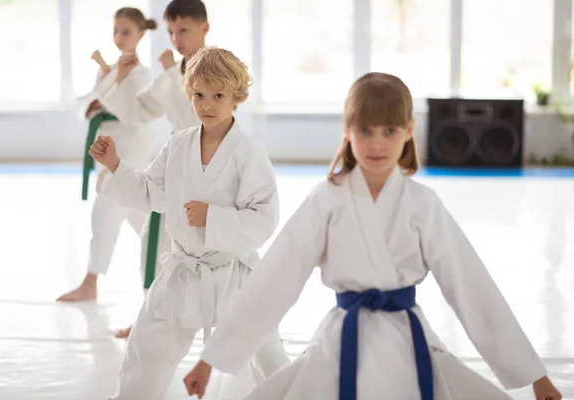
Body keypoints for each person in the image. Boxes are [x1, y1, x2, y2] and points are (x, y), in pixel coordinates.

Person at [183, 72, 562, 400]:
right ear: (347, 131)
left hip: (408, 342)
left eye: (390, 130)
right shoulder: (327, 200)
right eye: (364, 130)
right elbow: (274, 281)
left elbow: (472, 288)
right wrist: (211, 358)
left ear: (409, 130)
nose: (377, 143)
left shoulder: (421, 204)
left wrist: (535, 375)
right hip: (341, 344)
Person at [89, 47, 289, 400]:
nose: (207, 104)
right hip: (182, 270)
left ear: (236, 97)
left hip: (234, 273)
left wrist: (213, 217)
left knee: (267, 353)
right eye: (198, 95)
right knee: (147, 349)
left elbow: (265, 217)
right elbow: (150, 191)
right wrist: (116, 165)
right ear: (188, 92)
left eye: (218, 95)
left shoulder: (249, 152)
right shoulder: (178, 145)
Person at [94, 0, 212, 338]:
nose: (176, 38)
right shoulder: (171, 75)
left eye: (184, 30)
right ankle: (152, 315)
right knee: (155, 242)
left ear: (205, 28)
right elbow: (136, 111)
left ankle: (255, 323)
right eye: (172, 32)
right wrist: (120, 77)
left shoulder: (220, 68)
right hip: (177, 165)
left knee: (231, 247)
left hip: (216, 165)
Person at [57, 8, 158, 313]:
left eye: (126, 31)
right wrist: (106, 82)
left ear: (141, 34)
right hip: (108, 143)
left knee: (107, 207)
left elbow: (114, 103)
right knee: (139, 215)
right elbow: (87, 104)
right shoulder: (110, 70)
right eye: (116, 30)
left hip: (132, 144)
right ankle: (161, 273)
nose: (119, 37)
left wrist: (107, 86)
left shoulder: (142, 72)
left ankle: (90, 281)